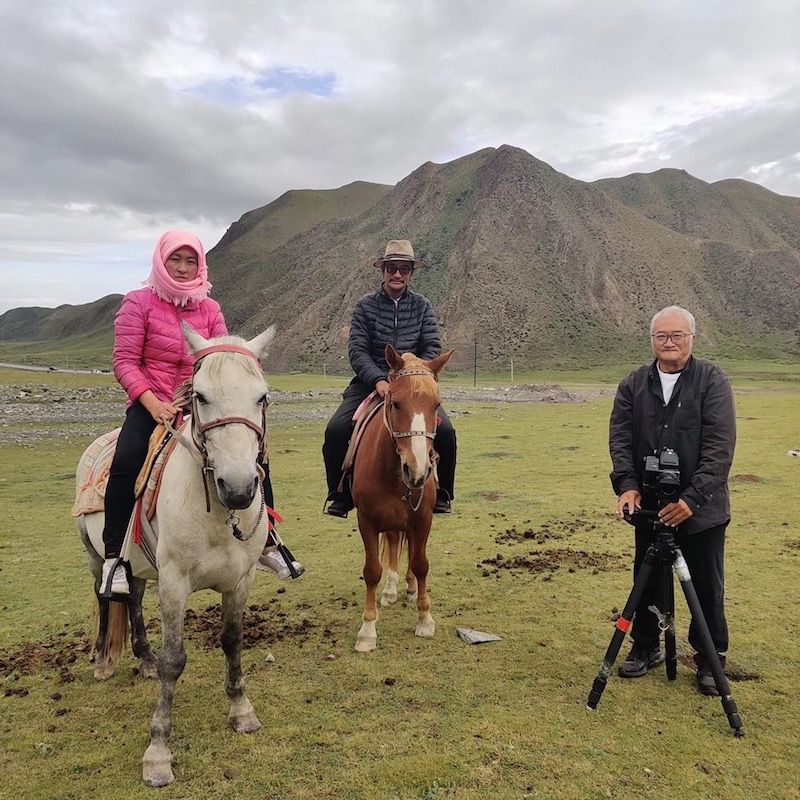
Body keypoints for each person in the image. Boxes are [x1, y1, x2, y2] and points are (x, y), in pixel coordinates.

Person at [101, 230, 299, 596]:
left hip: (202, 404)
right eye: (175, 259)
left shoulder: (209, 309)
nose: (182, 267)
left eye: (190, 260)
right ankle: (115, 559)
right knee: (127, 458)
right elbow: (125, 361)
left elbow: (225, 360)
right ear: (161, 261)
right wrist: (152, 403)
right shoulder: (138, 303)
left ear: (200, 266)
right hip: (155, 404)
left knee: (254, 456)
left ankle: (268, 542)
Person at [609, 305, 736, 696]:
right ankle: (646, 646)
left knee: (705, 587)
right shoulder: (633, 384)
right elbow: (620, 439)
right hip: (650, 506)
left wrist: (693, 498)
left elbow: (719, 447)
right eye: (662, 336)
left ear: (692, 338)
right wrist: (627, 485)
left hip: (701, 511)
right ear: (652, 341)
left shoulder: (711, 381)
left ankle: (710, 660)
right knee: (646, 581)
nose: (669, 343)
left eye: (677, 335)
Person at [322, 239, 457, 518]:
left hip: (413, 386)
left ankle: (443, 494)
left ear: (411, 273)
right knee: (335, 431)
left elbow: (431, 346)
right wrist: (378, 380)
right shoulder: (365, 306)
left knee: (446, 433)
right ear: (383, 270)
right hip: (370, 382)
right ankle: (339, 494)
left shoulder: (422, 306)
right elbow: (357, 350)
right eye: (392, 268)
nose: (398, 274)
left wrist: (413, 374)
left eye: (404, 269)